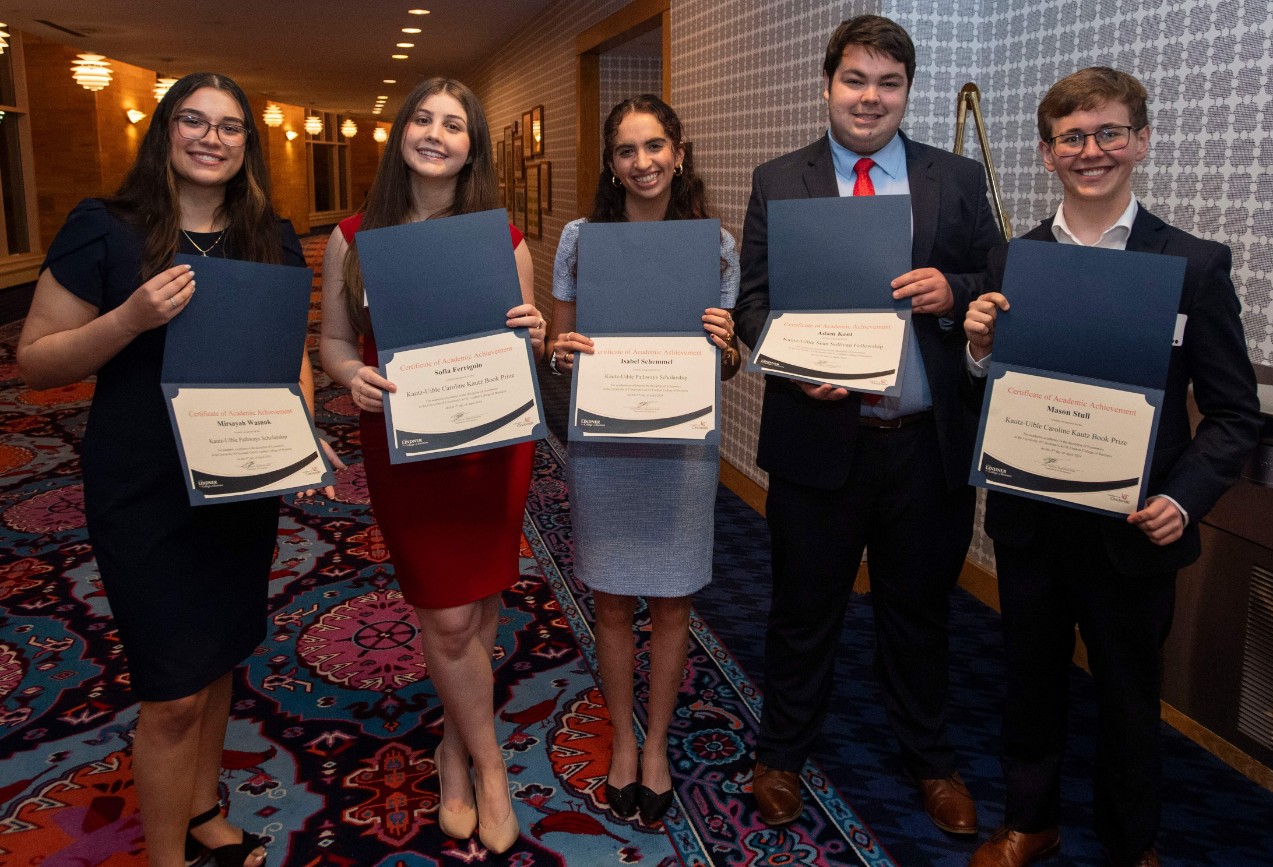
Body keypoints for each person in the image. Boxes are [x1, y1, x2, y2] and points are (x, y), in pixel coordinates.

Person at [963, 67, 1261, 867]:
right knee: (1028, 679)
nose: (1091, 150)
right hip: (1032, 523)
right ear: (1047, 153)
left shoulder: (1191, 265)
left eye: (1109, 133)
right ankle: (1032, 820)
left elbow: (1235, 413)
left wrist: (1185, 498)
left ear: (1141, 141)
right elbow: (1001, 386)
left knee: (1129, 695)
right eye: (1072, 137)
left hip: (1137, 530)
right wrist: (980, 348)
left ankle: (1132, 843)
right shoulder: (1015, 259)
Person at [16, 73, 313, 867]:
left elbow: (293, 358)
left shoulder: (268, 235)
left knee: (218, 658)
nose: (212, 139)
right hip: (143, 482)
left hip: (240, 479)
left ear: (248, 143)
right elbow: (36, 361)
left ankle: (204, 812)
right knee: (173, 687)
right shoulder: (106, 229)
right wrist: (131, 317)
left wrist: (306, 430)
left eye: (229, 127)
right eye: (194, 121)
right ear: (164, 131)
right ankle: (165, 857)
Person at [734, 14, 1002, 832]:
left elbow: (995, 276)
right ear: (828, 84)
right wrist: (791, 360)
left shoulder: (953, 179)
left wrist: (953, 291)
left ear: (906, 93)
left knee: (919, 609)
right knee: (802, 606)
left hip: (924, 445)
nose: (870, 97)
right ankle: (781, 752)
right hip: (817, 441)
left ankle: (931, 762)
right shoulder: (781, 178)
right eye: (855, 79)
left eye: (889, 83)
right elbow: (751, 302)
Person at [318, 76, 544, 856]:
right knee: (446, 613)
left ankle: (452, 747)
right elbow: (335, 344)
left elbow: (528, 339)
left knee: (477, 607)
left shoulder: (503, 237)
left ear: (472, 147)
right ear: (401, 133)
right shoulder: (351, 236)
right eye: (424, 118)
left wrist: (536, 329)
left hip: (490, 444)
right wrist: (350, 376)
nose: (437, 133)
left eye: (455, 124)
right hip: (405, 442)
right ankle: (490, 767)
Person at [546, 95, 739, 823]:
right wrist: (561, 351)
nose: (643, 162)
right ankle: (622, 738)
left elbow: (727, 366)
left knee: (673, 599)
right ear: (611, 164)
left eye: (655, 146)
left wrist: (727, 342)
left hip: (682, 448)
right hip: (607, 443)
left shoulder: (714, 244)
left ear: (679, 152)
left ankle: (655, 743)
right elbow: (557, 352)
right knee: (613, 600)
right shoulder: (580, 240)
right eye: (626, 150)